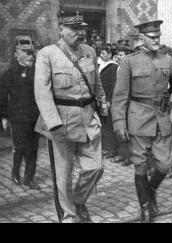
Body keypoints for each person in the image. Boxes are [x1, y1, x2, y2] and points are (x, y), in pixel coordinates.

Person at [34, 11, 108, 223]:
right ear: (61, 29)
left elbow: (97, 83)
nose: (80, 32)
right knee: (63, 178)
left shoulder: (89, 52)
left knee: (96, 167)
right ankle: (68, 218)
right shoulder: (47, 54)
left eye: (82, 28)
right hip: (62, 121)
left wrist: (102, 102)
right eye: (74, 29)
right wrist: (53, 123)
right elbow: (42, 92)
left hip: (88, 118)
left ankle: (77, 201)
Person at [111, 20, 172, 223]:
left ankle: (150, 192)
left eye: (158, 36)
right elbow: (119, 96)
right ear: (141, 38)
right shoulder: (129, 62)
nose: (157, 40)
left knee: (165, 164)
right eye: (152, 37)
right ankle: (145, 208)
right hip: (139, 118)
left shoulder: (168, 60)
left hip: (162, 118)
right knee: (140, 165)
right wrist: (119, 123)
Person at [0, 41, 41, 190]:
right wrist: (4, 117)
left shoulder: (38, 72)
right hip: (18, 118)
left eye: (32, 53)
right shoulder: (9, 74)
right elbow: (2, 97)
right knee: (20, 147)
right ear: (17, 54)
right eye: (27, 53)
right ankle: (15, 172)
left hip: (34, 117)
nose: (31, 56)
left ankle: (29, 178)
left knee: (33, 148)